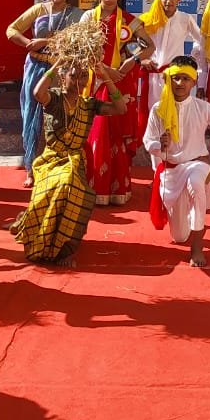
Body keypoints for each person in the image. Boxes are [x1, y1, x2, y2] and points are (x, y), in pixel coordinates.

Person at [12, 49, 127, 267]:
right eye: (73, 75)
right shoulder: (54, 99)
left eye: (83, 76)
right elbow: (37, 92)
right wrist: (57, 65)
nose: (78, 81)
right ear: (63, 76)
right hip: (51, 161)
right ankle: (40, 238)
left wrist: (105, 77)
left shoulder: (89, 104)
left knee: (71, 186)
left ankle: (64, 249)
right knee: (62, 183)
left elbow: (120, 108)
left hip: (75, 162)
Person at [143, 56, 210, 267]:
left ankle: (197, 245)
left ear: (194, 81)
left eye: (185, 79)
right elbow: (148, 140)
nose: (180, 83)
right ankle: (189, 226)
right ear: (168, 80)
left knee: (197, 184)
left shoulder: (203, 107)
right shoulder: (158, 109)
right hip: (171, 170)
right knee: (179, 235)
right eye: (176, 78)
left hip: (196, 164)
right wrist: (159, 145)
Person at [7, 0, 83, 187]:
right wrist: (28, 43)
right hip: (36, 68)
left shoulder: (77, 15)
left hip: (62, 70)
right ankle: (31, 168)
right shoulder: (39, 10)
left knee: (59, 116)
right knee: (32, 116)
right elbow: (10, 30)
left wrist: (46, 41)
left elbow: (79, 43)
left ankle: (59, 166)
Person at [84, 0, 153, 205]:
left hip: (119, 82)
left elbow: (148, 46)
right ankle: (95, 189)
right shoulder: (87, 18)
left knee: (116, 136)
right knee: (96, 133)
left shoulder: (129, 21)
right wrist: (103, 69)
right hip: (93, 81)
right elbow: (80, 49)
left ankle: (117, 190)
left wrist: (132, 61)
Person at [136, 0, 203, 141]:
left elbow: (201, 40)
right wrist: (142, 60)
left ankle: (177, 150)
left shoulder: (185, 19)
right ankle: (154, 153)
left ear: (179, 0)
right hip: (152, 75)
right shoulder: (146, 19)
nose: (169, 1)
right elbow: (131, 44)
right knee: (153, 112)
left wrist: (190, 58)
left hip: (175, 77)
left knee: (176, 112)